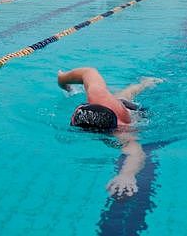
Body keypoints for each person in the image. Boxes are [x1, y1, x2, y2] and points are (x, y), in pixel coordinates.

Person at [57, 67, 162, 197]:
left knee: (125, 98)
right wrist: (62, 79)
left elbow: (136, 154)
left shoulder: (123, 131)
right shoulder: (96, 94)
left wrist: (126, 175)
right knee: (121, 96)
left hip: (132, 112)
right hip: (113, 104)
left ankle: (145, 83)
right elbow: (88, 72)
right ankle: (144, 83)